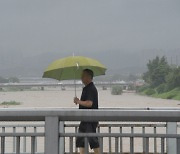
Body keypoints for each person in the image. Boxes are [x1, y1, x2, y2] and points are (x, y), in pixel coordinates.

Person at [74, 69, 100, 154]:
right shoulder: (86, 88)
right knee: (80, 140)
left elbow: (89, 103)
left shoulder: (91, 89)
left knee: (92, 140)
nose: (81, 77)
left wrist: (78, 101)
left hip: (90, 119)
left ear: (89, 77)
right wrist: (79, 101)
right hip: (85, 119)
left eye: (83, 75)